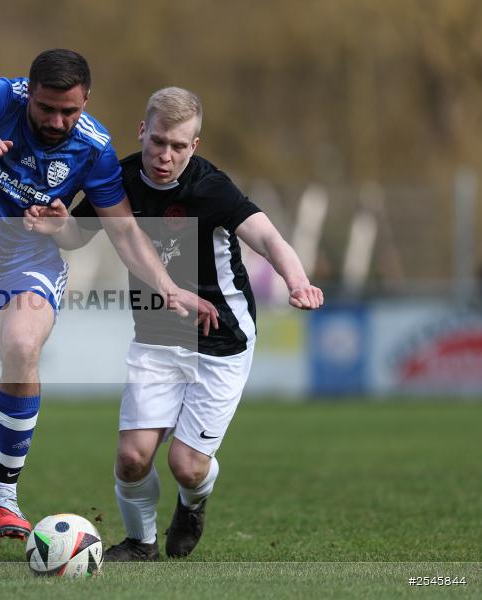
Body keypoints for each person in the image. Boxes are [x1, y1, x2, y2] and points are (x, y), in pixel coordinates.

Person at [0, 51, 218, 561]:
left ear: (86, 102)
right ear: (28, 93)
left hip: (25, 264)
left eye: (69, 112)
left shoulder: (93, 148)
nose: (57, 122)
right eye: (47, 109)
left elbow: (118, 230)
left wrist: (167, 284)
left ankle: (4, 495)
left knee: (23, 341)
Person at [24, 87, 324, 560]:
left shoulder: (212, 188)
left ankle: (193, 502)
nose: (165, 155)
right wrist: (56, 224)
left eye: (179, 146)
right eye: (158, 141)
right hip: (157, 337)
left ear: (194, 146)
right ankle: (140, 544)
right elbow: (76, 236)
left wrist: (297, 280)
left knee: (186, 465)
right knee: (131, 458)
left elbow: (267, 236)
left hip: (221, 340)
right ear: (143, 131)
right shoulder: (118, 179)